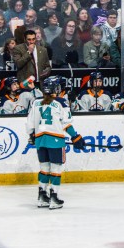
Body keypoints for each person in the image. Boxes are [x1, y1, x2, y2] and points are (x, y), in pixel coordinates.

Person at [26, 76, 86, 209]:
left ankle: (42, 197)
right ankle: (54, 197)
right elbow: (66, 123)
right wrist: (75, 137)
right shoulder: (61, 102)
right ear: (56, 88)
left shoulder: (36, 102)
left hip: (40, 139)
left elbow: (29, 123)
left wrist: (31, 135)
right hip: (55, 139)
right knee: (56, 169)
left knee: (44, 168)